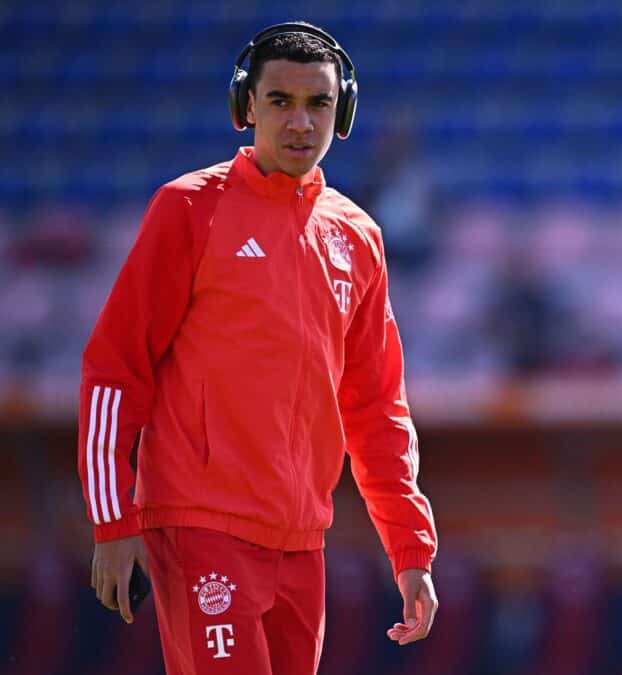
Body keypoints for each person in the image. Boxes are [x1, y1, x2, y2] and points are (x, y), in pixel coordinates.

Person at [78, 22, 438, 674]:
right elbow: (114, 366)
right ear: (247, 106)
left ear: (344, 112)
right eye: (280, 101)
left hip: (303, 542)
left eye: (318, 104)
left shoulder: (358, 238)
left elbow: (378, 406)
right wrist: (111, 521)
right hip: (201, 525)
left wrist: (411, 550)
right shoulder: (187, 210)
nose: (300, 121)